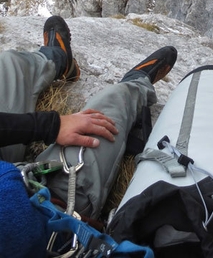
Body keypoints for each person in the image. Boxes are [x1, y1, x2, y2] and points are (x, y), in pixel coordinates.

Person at [0, 15, 177, 257]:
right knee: (106, 114)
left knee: (8, 64)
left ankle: (57, 60)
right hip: (43, 213)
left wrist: (49, 126)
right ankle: (136, 85)